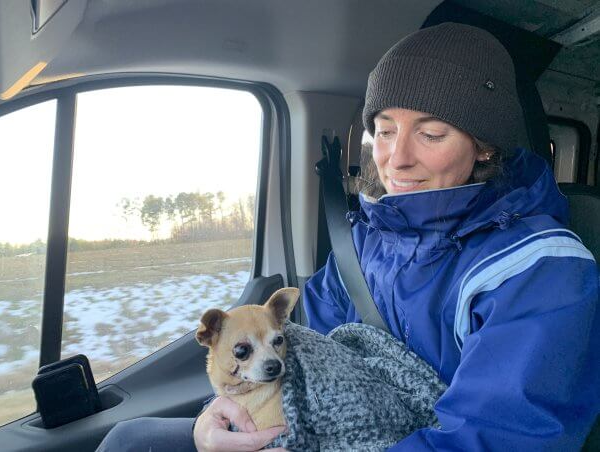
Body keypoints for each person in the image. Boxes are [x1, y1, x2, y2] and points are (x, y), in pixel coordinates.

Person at [97, 22, 599, 452]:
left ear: (484, 147)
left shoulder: (542, 272)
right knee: (128, 438)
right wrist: (224, 410)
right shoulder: (366, 240)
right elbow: (299, 347)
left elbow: (493, 437)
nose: (395, 159)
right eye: (383, 130)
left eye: (431, 134)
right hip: (323, 426)